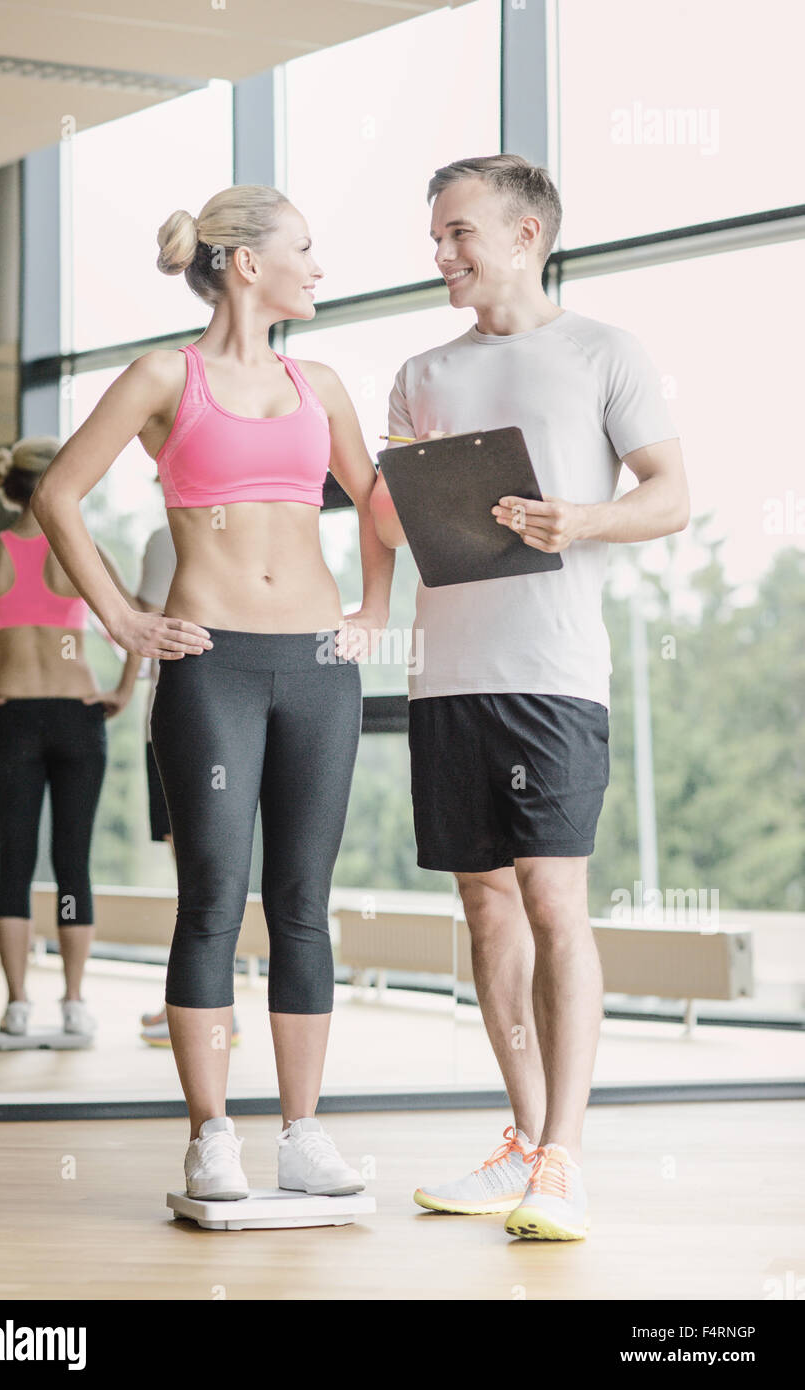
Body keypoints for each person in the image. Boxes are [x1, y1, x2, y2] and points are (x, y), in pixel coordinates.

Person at [30, 184, 393, 1200]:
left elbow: (377, 501)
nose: (318, 268)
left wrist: (374, 606)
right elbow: (59, 495)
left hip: (318, 666)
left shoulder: (321, 381)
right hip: (210, 665)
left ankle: (305, 1131)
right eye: (305, 250)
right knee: (213, 902)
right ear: (245, 262)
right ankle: (211, 1134)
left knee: (304, 905)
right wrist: (124, 621)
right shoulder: (164, 375)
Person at [370, 154, 689, 1240]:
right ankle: (519, 1140)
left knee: (554, 894)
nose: (443, 253)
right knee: (485, 902)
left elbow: (672, 495)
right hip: (447, 672)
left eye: (460, 233)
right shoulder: (420, 370)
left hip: (552, 673)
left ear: (525, 236)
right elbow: (390, 523)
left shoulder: (605, 352)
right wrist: (389, 483)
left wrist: (578, 521)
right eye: (437, 235)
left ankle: (566, 1156)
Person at [0, 437, 141, 1040]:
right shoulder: (80, 549)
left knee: (14, 863)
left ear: (12, 487)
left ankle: (18, 1006)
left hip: (13, 718)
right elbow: (136, 622)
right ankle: (75, 1003)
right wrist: (124, 691)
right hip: (78, 716)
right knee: (72, 864)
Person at [134, 515, 240, 1050]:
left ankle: (218, 1003)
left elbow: (146, 621)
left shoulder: (164, 536)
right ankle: (223, 1002)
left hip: (185, 711)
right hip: (240, 708)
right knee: (224, 872)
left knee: (200, 879)